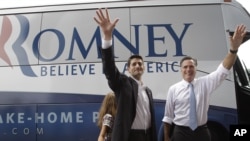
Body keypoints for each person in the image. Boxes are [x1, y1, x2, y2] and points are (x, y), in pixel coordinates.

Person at [162, 24, 247, 141]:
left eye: (191, 66)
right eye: (185, 67)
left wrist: (233, 50)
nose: (188, 70)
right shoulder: (173, 89)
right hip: (180, 133)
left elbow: (224, 68)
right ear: (181, 69)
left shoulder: (205, 83)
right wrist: (166, 137)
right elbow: (168, 117)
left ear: (196, 68)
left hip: (201, 132)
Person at [94, 8, 158, 141]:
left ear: (144, 67)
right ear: (128, 69)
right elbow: (110, 70)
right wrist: (107, 37)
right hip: (130, 137)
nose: (137, 66)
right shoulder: (123, 84)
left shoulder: (148, 91)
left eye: (140, 63)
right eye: (134, 64)